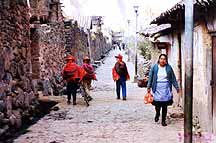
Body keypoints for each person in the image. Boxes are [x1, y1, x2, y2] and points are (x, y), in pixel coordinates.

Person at [147, 54, 180, 126]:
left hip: (166, 88)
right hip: (157, 88)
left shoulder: (169, 68)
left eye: (164, 59)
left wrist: (177, 87)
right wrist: (148, 87)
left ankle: (163, 120)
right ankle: (157, 113)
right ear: (159, 59)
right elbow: (150, 78)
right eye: (161, 59)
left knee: (165, 105)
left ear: (166, 60)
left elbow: (173, 78)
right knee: (157, 104)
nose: (162, 60)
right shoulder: (154, 67)